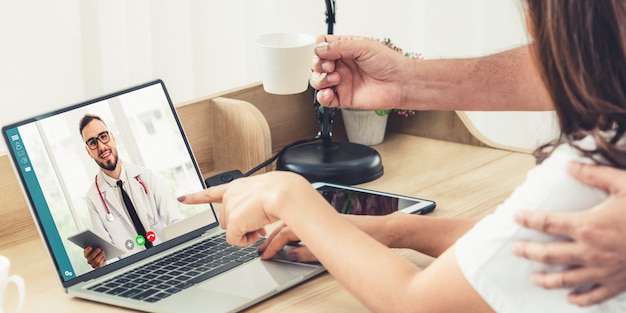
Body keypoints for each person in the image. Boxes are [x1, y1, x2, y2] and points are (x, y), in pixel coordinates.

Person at [177, 1, 626, 312]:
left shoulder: (595, 167)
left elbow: (418, 301)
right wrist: (392, 229)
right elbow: (526, 249)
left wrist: (290, 194)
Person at [80, 114, 183, 269]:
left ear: (113, 138)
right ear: (89, 151)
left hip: (170, 259)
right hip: (135, 272)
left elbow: (176, 223)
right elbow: (107, 255)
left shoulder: (147, 177)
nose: (102, 147)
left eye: (103, 136)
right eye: (93, 143)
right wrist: (100, 261)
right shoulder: (93, 198)